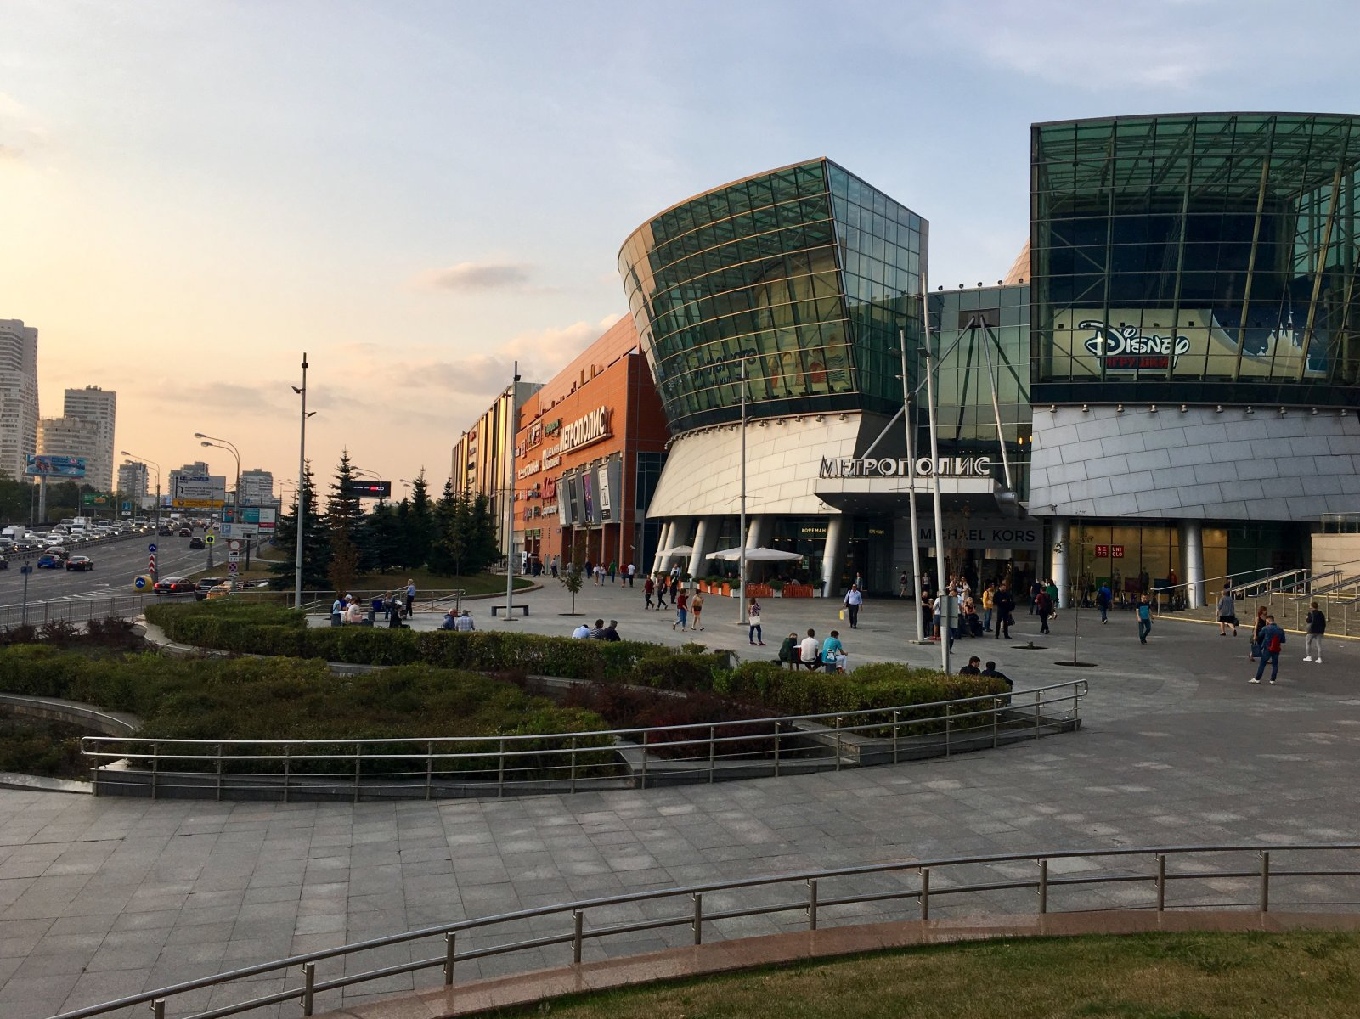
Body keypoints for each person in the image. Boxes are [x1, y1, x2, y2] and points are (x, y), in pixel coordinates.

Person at [1251, 614, 1286, 684]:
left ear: (1268, 620)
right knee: (1275, 664)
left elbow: (1259, 636)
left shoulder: (1266, 628)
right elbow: (1283, 640)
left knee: (1262, 664)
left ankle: (1257, 679)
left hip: (1267, 648)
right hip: (1276, 648)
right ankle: (1272, 680)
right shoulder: (1280, 630)